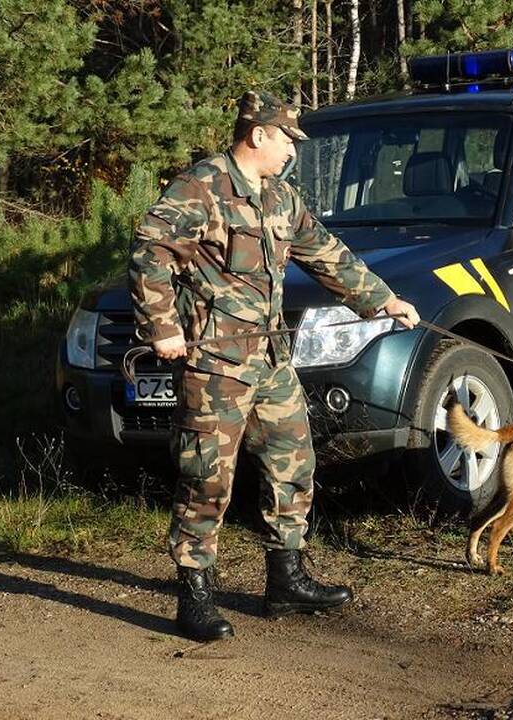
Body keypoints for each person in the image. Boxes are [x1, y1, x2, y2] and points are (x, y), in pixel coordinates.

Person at [129, 90, 419, 641]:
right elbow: (151, 251)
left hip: (270, 359)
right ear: (257, 133)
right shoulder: (202, 188)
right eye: (286, 139)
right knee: (205, 477)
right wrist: (162, 326)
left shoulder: (282, 197)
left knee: (294, 462)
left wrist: (382, 300)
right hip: (215, 363)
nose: (291, 151)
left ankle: (286, 580)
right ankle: (194, 597)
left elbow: (326, 253)